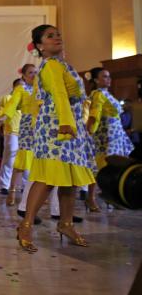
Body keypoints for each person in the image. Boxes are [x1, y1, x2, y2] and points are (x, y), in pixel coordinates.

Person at [17, 24, 96, 252]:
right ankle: (26, 225)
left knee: (69, 178)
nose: (57, 38)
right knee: (47, 178)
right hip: (56, 124)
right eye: (50, 36)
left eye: (58, 34)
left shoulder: (63, 65)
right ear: (40, 46)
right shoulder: (51, 65)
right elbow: (60, 95)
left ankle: (66, 223)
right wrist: (65, 122)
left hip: (69, 124)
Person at [85, 67, 134, 211]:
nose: (109, 79)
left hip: (116, 134)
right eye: (105, 76)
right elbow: (94, 114)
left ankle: (112, 197)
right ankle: (91, 198)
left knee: (115, 167)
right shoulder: (98, 94)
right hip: (106, 135)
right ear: (95, 80)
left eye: (109, 76)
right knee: (101, 166)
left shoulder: (107, 94)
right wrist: (89, 130)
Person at [0, 78, 23, 200]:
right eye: (19, 86)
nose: (21, 88)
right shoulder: (7, 98)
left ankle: (25, 185)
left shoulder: (28, 99)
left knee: (26, 160)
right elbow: (0, 110)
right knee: (9, 159)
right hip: (11, 132)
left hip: (26, 134)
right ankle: (4, 185)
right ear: (14, 87)